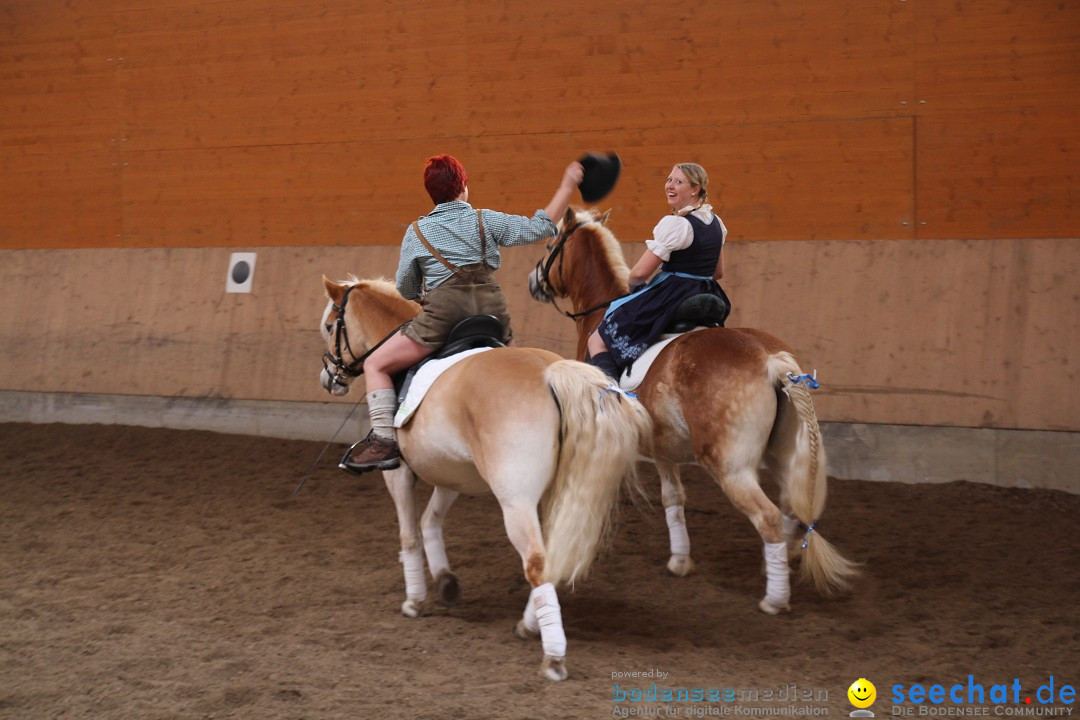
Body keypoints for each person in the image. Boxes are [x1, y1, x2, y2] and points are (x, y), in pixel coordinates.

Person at [342, 154, 584, 474]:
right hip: (492, 312)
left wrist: (422, 296)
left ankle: (384, 441)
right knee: (518, 366)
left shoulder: (418, 232)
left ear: (432, 193)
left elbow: (406, 286)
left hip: (444, 315)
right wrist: (567, 185)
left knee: (375, 363)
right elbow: (539, 227)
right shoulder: (486, 220)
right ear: (464, 187)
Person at [586, 163, 728, 379]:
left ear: (695, 189)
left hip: (674, 292)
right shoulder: (717, 223)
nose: (670, 186)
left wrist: (635, 287)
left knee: (597, 339)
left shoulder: (677, 224)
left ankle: (611, 397)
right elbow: (718, 272)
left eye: (678, 182)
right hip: (707, 290)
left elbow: (640, 273)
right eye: (669, 180)